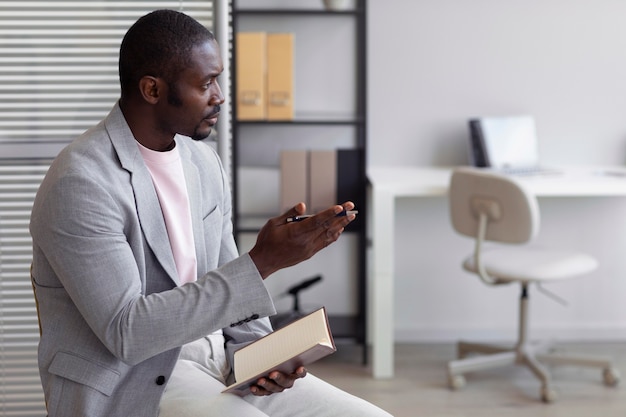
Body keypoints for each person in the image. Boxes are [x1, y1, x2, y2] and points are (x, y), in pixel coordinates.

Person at [29, 9, 392, 417]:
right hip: (135, 379)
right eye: (205, 83)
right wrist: (263, 262)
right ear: (152, 89)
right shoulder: (81, 182)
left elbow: (225, 275)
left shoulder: (203, 163)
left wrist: (258, 356)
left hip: (220, 361)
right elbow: (128, 332)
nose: (220, 95)